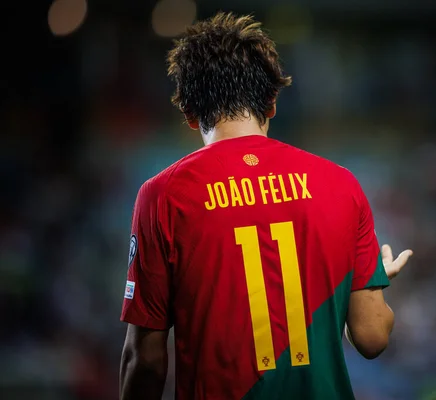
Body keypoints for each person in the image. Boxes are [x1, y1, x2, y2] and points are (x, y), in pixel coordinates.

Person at [119, 12, 413, 400]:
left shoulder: (162, 195)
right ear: (272, 103)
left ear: (189, 113)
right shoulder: (341, 183)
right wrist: (360, 287)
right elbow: (372, 338)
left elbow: (146, 359)